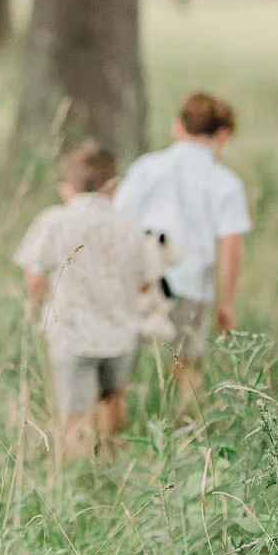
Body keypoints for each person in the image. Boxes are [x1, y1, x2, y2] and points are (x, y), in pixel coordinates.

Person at [14, 145, 154, 457]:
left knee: (75, 414)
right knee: (113, 399)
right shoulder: (129, 226)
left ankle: (79, 474)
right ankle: (113, 461)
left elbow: (35, 278)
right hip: (119, 333)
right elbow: (146, 282)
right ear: (114, 188)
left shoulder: (52, 221)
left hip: (71, 334)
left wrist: (41, 304)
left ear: (65, 189)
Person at [114, 91, 252, 382]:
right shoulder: (225, 182)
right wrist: (226, 303)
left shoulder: (146, 168)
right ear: (224, 134)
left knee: (121, 366)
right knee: (187, 365)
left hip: (141, 281)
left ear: (178, 127)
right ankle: (189, 424)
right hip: (191, 283)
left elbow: (117, 220)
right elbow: (231, 244)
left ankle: (110, 426)